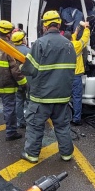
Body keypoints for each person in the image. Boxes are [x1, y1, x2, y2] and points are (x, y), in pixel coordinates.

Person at [20, 10, 76, 163]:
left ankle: (32, 154)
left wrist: (21, 66)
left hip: (41, 97)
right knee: (62, 127)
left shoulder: (40, 43)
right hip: (62, 97)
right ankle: (66, 154)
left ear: (44, 25)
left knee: (35, 127)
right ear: (59, 24)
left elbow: (29, 69)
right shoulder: (69, 45)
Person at [69, 22, 90, 126]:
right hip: (76, 75)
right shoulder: (76, 45)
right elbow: (85, 39)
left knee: (64, 98)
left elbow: (71, 39)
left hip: (65, 75)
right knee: (77, 98)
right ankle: (76, 119)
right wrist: (86, 28)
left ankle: (62, 118)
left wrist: (76, 32)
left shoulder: (65, 45)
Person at [11, 30, 30, 128]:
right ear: (22, 40)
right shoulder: (28, 51)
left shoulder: (10, 50)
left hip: (16, 80)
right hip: (27, 80)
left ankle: (20, 122)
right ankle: (31, 120)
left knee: (19, 101)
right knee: (29, 101)